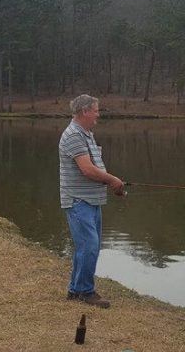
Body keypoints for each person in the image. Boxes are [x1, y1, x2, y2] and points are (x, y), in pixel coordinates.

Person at [59, 94, 125, 309]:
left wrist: (110, 183)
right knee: (89, 246)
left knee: (87, 247)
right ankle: (85, 292)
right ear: (85, 111)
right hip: (79, 201)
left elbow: (93, 167)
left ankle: (76, 290)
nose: (98, 114)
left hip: (91, 200)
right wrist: (112, 180)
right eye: (96, 110)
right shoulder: (73, 135)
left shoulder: (85, 134)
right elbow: (87, 169)